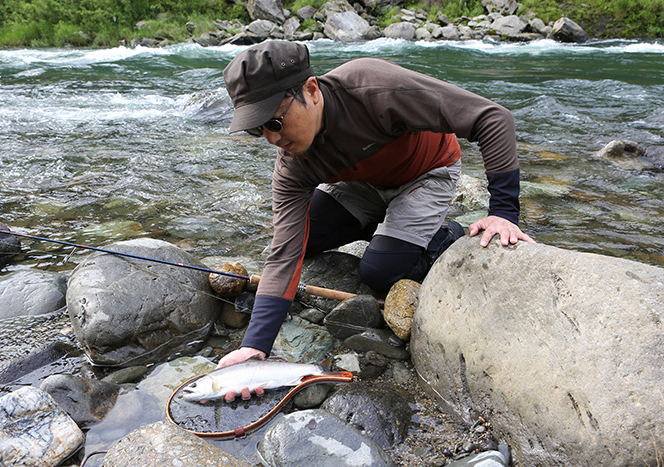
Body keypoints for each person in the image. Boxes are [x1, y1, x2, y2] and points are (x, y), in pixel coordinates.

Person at [216, 41, 534, 386]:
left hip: (426, 173)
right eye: (256, 128)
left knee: (381, 271)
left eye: (274, 121)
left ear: (311, 90)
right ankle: (391, 231)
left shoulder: (372, 88)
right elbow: (284, 252)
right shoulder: (293, 164)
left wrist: (503, 213)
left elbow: (492, 118)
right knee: (308, 239)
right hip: (360, 184)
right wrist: (254, 347)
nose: (271, 138)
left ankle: (445, 235)